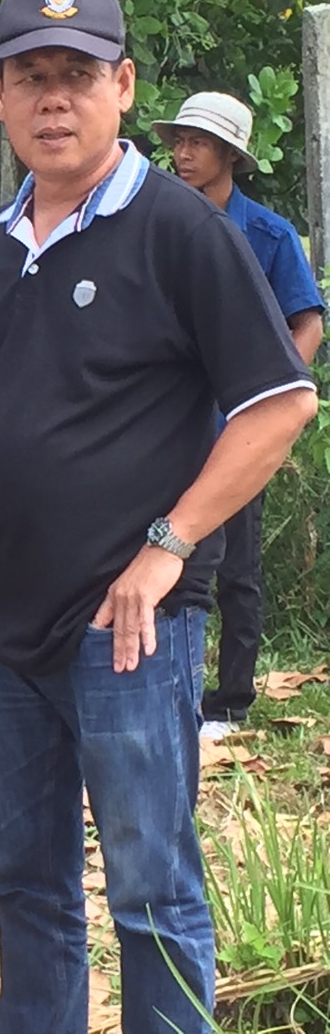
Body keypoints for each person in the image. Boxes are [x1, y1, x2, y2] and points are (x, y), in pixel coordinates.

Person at [0, 0, 316, 1034]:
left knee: (150, 892)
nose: (54, 99)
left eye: (78, 76)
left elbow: (279, 405)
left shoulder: (180, 230)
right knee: (22, 885)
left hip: (124, 631)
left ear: (122, 86)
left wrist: (167, 546)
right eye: (31, 77)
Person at [151, 92, 325, 740]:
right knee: (160, 549)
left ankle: (229, 702)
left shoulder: (269, 235)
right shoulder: (158, 224)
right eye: (179, 141)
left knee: (237, 566)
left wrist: (270, 400)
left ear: (230, 155)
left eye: (198, 142)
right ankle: (162, 682)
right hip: (165, 423)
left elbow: (307, 324)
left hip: (235, 430)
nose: (183, 153)